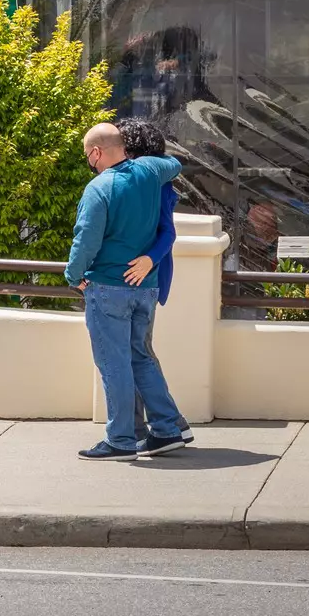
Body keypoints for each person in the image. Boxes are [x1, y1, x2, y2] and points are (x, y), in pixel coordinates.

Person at [66, 122, 191, 460]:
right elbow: (175, 164)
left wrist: (72, 274)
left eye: (87, 156)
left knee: (114, 363)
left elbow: (86, 239)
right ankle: (167, 428)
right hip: (145, 288)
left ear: (95, 153)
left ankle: (120, 440)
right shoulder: (150, 170)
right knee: (140, 358)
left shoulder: (99, 187)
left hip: (108, 287)